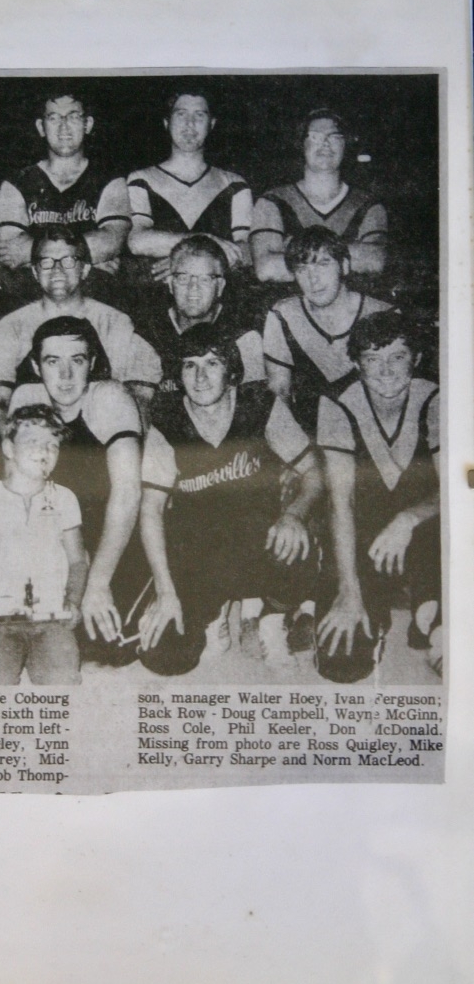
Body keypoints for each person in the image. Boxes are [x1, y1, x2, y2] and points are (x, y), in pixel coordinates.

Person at [138, 323, 322, 676]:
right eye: (190, 365)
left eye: (212, 364)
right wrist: (165, 591)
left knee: (294, 546)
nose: (200, 377)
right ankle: (215, 613)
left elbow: (314, 471)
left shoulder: (259, 405)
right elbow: (151, 509)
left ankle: (272, 615)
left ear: (232, 372)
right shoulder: (168, 419)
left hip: (258, 536)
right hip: (200, 549)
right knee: (164, 656)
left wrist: (295, 514)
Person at [316, 311, 441, 682]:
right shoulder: (337, 402)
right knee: (343, 662)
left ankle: (433, 621)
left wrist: (408, 519)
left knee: (443, 622)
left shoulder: (437, 395)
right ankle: (380, 610)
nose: (385, 370)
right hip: (362, 527)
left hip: (425, 521)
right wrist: (348, 591)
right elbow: (342, 502)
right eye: (372, 359)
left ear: (416, 359)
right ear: (357, 363)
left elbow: (459, 483)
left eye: (397, 357)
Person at [8, 317, 143, 651]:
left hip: (114, 529)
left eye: (77, 361)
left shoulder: (109, 397)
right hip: (59, 528)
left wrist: (97, 582)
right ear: (36, 367)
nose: (65, 376)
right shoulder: (26, 397)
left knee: (120, 646)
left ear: (93, 363)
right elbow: (16, 492)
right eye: (53, 361)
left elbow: (127, 496)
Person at [0, 226, 161, 436]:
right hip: (35, 441)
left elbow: (136, 402)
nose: (57, 270)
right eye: (46, 262)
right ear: (34, 271)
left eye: (68, 261)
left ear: (85, 269)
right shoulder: (10, 326)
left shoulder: (115, 323)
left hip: (99, 439)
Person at [0, 405, 88, 685]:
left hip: (51, 616)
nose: (44, 452)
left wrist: (75, 601)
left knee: (63, 676)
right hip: (1, 617)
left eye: (52, 446)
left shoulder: (65, 498)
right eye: (32, 442)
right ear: (8, 448)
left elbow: (78, 560)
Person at [0, 89, 132, 307]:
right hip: (32, 293)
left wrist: (37, 256)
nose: (64, 126)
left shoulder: (110, 180)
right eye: (54, 117)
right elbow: (9, 248)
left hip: (92, 295)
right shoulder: (18, 181)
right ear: (41, 127)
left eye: (73, 116)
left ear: (88, 124)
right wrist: (84, 261)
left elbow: (113, 239)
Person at [263, 226, 392, 436]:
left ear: (344, 266)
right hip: (311, 438)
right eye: (302, 269)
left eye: (323, 264)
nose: (313, 279)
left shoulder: (382, 313)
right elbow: (280, 392)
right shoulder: (283, 314)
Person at [126, 90, 253, 287]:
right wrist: (205, 241)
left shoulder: (234, 184)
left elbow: (247, 251)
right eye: (181, 114)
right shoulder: (141, 179)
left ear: (212, 124)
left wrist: (189, 261)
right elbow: (137, 241)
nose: (190, 124)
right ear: (167, 123)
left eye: (199, 115)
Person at [250, 109, 388, 285]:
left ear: (345, 144)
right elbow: (266, 269)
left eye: (335, 136)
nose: (325, 143)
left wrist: (294, 250)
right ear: (301, 144)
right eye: (315, 136)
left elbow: (375, 261)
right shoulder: (272, 201)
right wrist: (346, 254)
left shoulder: (368, 203)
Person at [133, 234, 265, 415]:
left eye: (204, 279)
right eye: (183, 278)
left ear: (220, 286)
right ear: (171, 284)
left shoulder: (243, 334)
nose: (193, 288)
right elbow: (140, 404)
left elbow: (256, 407)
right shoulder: (150, 333)